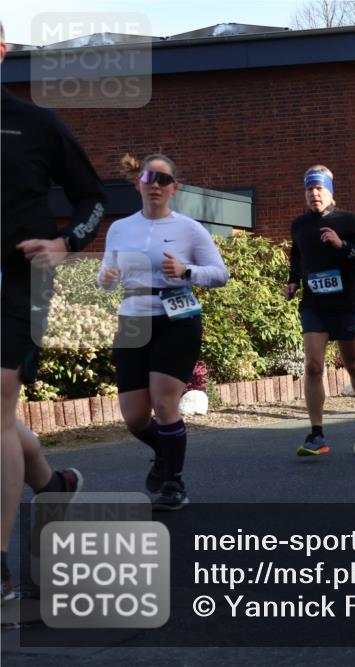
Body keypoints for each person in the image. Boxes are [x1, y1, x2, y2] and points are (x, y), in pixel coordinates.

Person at [1, 23, 107, 600]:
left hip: (22, 279)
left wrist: (67, 243)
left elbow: (94, 196)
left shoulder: (37, 124)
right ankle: (51, 483)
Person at [98, 153, 228, 510]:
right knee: (135, 417)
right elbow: (105, 277)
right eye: (149, 177)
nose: (155, 184)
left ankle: (174, 483)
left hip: (177, 319)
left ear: (174, 188)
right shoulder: (120, 228)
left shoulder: (189, 228)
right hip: (134, 318)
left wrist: (187, 271)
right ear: (138, 182)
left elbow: (220, 274)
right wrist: (106, 278)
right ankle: (164, 454)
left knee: (164, 401)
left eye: (163, 179)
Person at [286, 165, 355, 457]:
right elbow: (297, 256)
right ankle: (316, 434)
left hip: (345, 304)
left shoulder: (348, 220)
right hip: (314, 305)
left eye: (319, 188)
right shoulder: (299, 226)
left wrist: (343, 245)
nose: (314, 194)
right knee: (313, 366)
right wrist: (293, 281)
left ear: (329, 192)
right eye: (310, 189)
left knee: (353, 364)